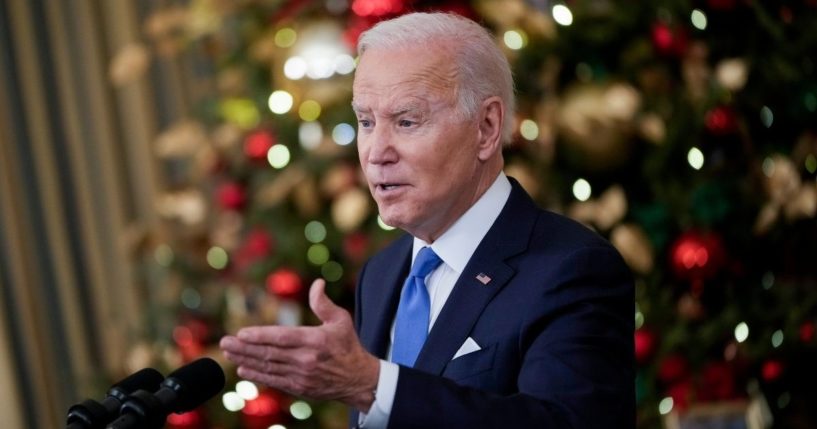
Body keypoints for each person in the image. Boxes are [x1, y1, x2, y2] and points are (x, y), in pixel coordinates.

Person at [220, 12, 634, 428]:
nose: (376, 151)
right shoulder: (380, 275)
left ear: (486, 128)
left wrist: (373, 387)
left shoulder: (571, 269)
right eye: (366, 122)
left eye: (406, 121)